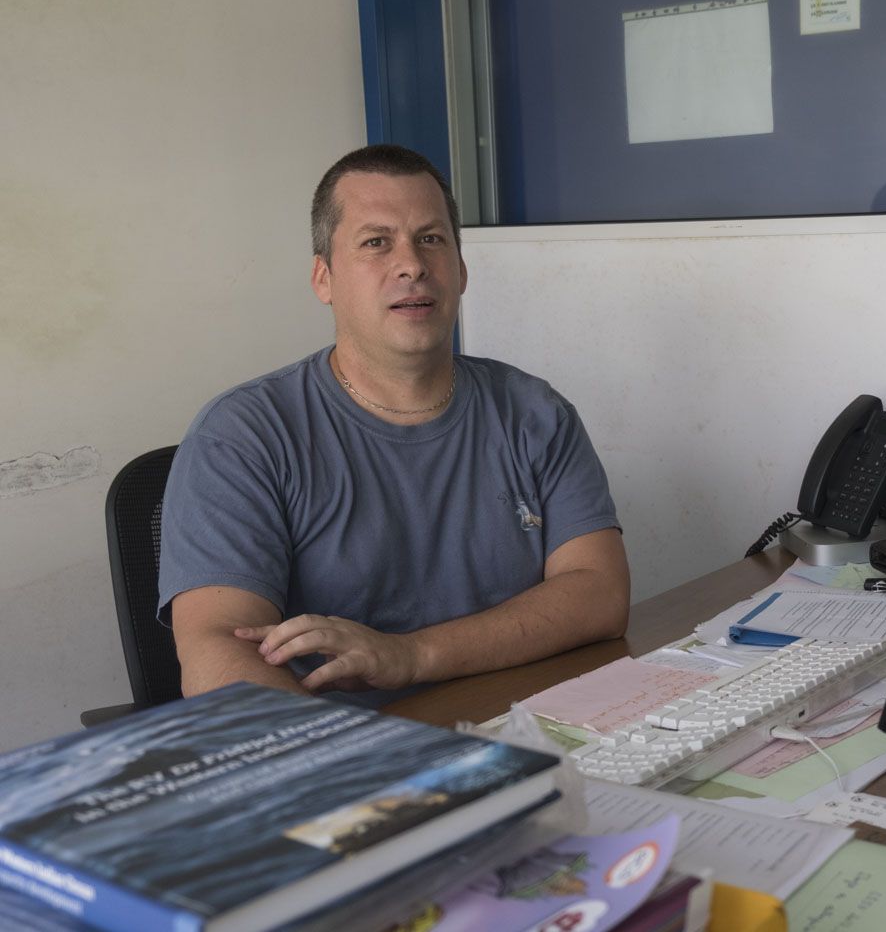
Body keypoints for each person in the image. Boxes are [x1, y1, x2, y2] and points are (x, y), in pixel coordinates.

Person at [158, 144, 629, 706]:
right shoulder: (241, 436)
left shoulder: (535, 413)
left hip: (535, 725)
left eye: (431, 239)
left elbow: (600, 595)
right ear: (323, 278)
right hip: (345, 754)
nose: (411, 265)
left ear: (461, 271)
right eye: (376, 242)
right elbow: (218, 655)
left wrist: (412, 655)